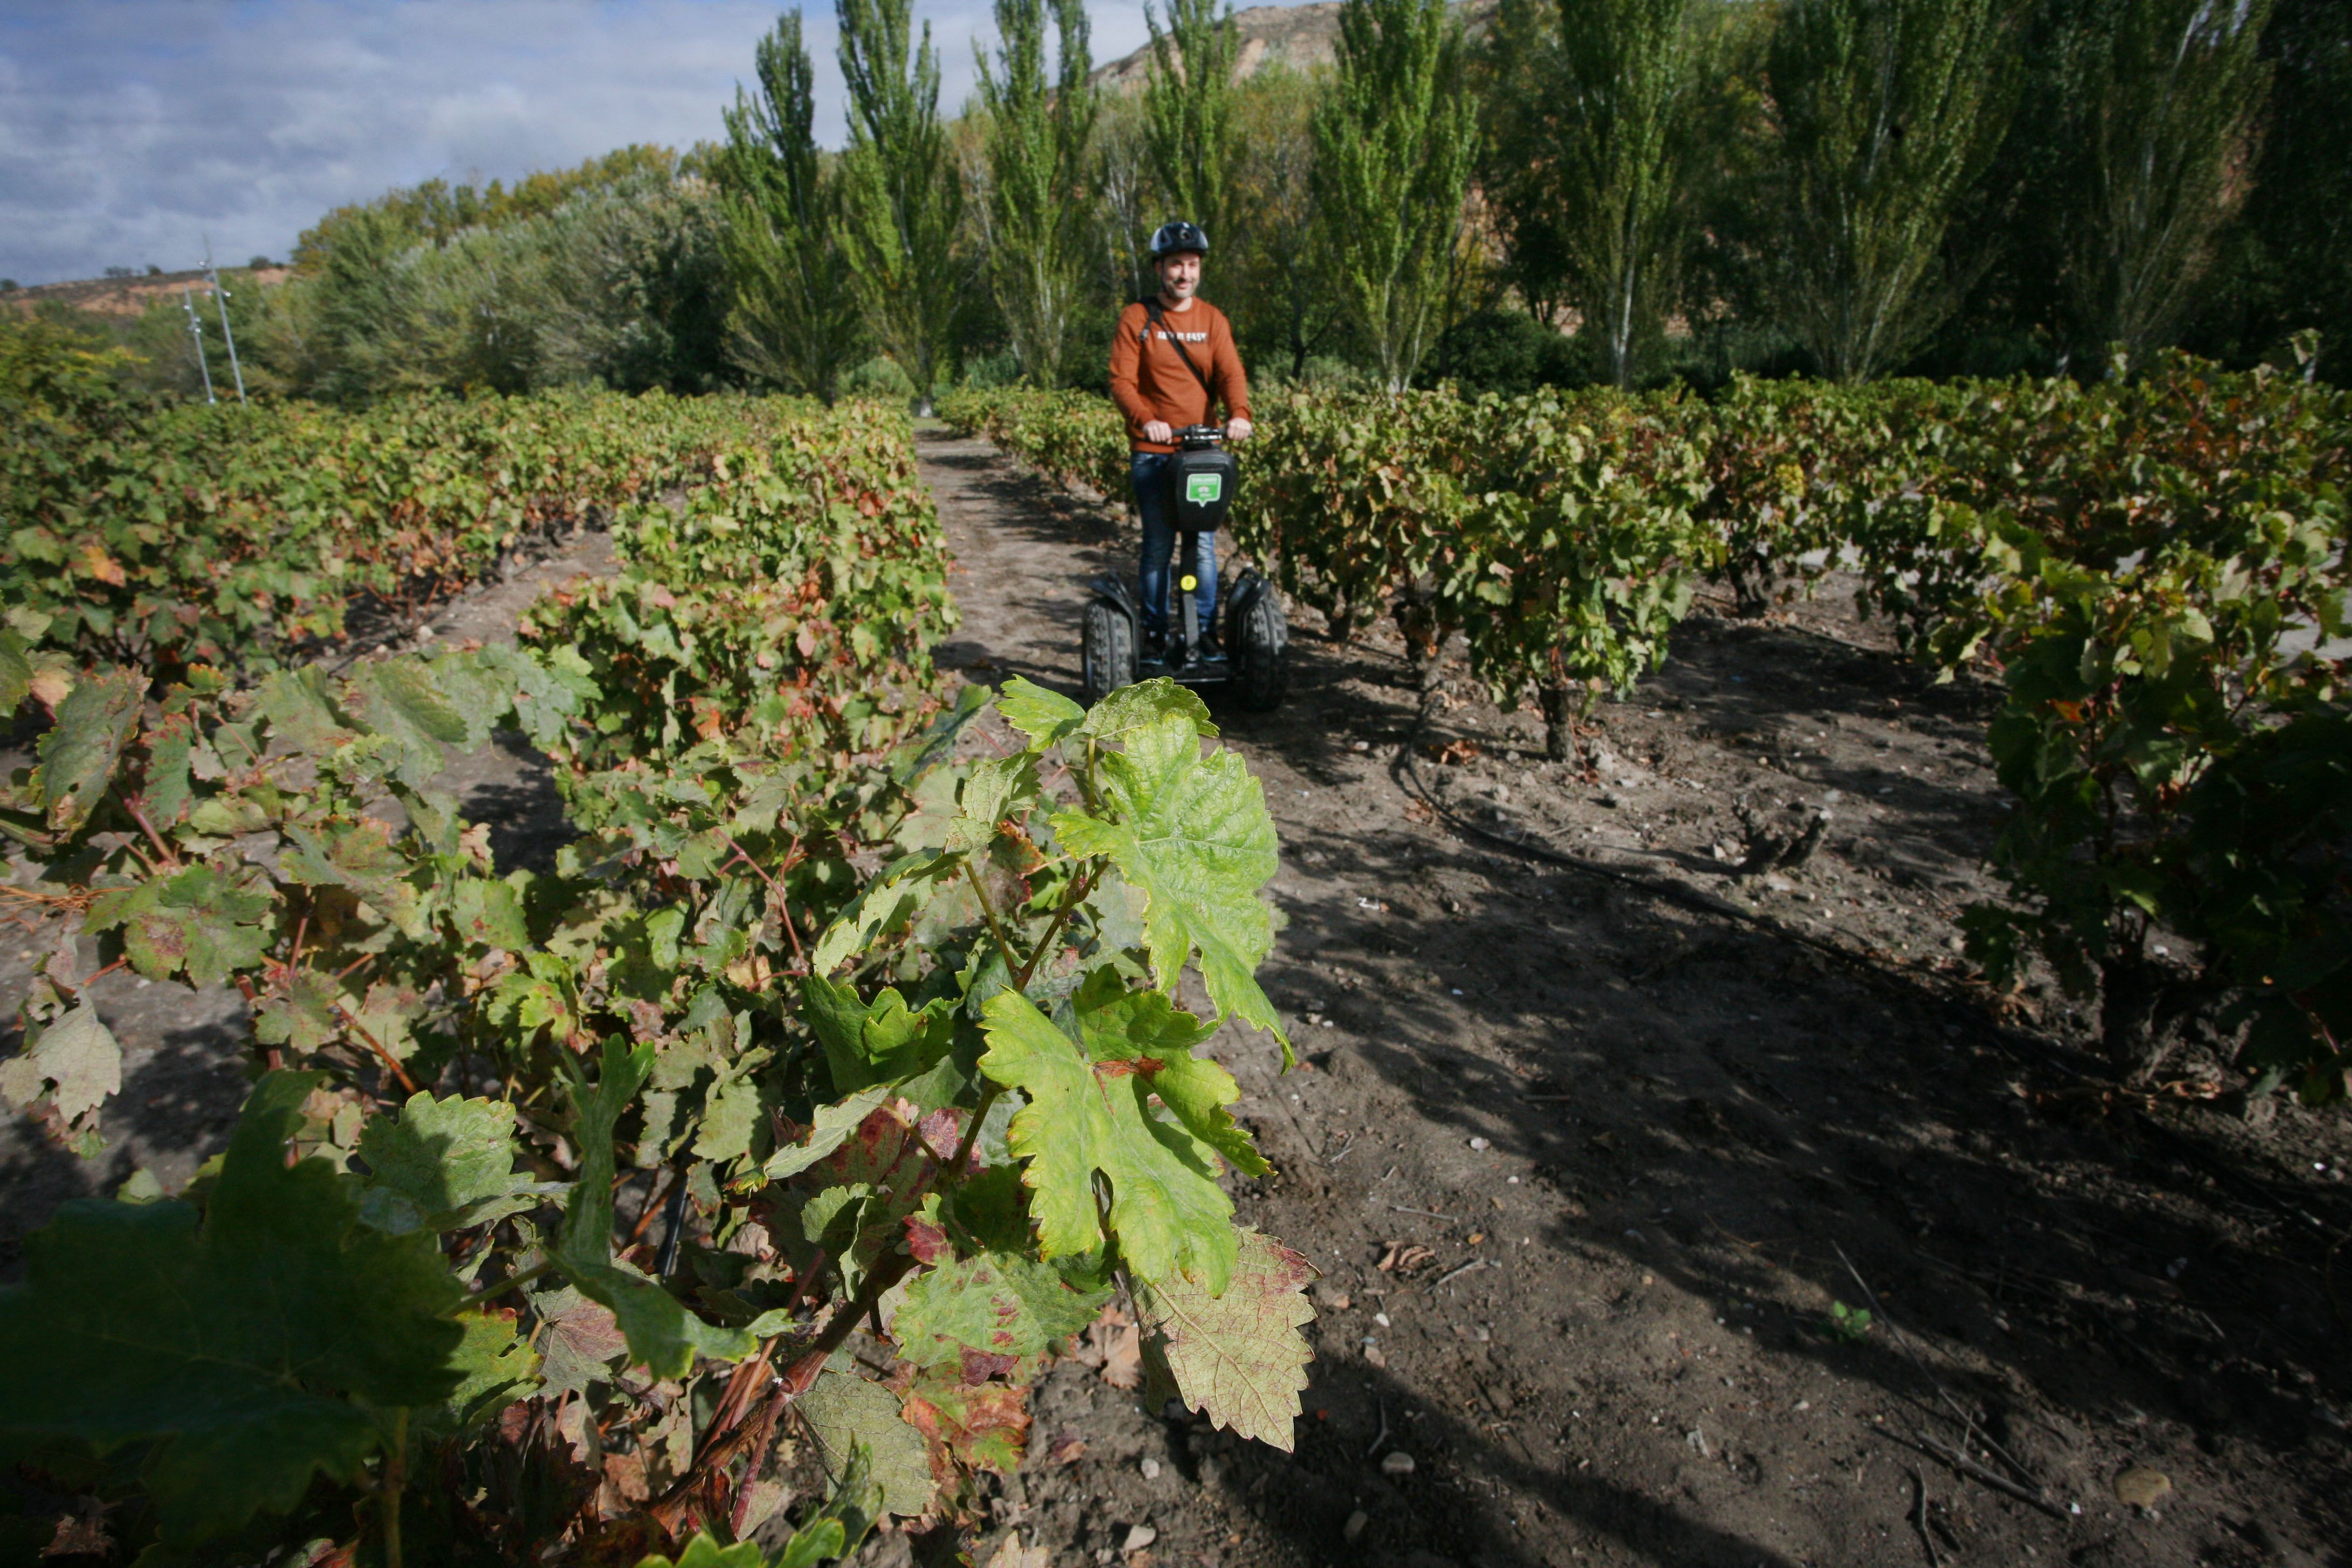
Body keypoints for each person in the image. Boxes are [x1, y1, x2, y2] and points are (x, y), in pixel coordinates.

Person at [1108, 219, 1253, 659]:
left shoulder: (1212, 320)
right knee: (1157, 544)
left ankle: (1203, 634)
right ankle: (1154, 637)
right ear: (1160, 268)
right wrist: (1146, 419)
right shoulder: (1138, 318)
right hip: (1154, 453)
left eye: (1192, 265)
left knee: (1203, 545)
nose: (1185, 274)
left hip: (1201, 453)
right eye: (1176, 265)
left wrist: (1240, 415)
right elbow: (1121, 381)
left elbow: (1231, 374)